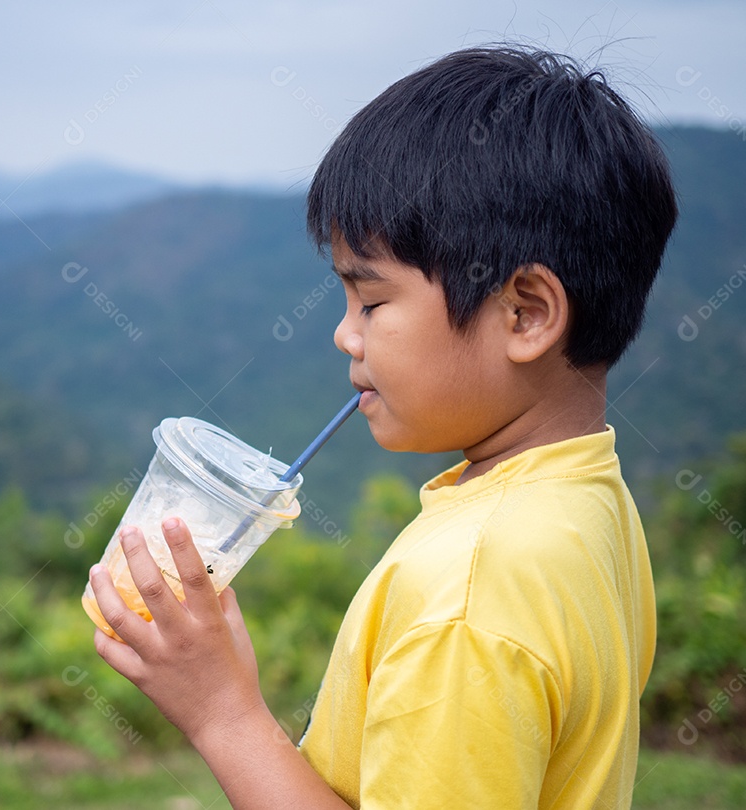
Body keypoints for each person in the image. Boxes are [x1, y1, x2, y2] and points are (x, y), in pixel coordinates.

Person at [88, 45, 677, 808]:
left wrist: (224, 714)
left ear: (525, 314)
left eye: (371, 301)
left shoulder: (467, 597)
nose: (345, 335)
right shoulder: (591, 499)